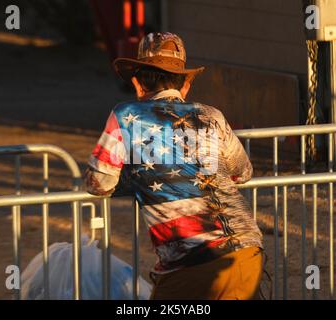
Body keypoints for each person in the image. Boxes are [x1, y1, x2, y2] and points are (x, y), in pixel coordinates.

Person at [85, 32, 263, 300]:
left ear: (137, 82)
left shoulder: (126, 117)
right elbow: (243, 172)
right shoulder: (211, 116)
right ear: (186, 85)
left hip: (191, 261)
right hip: (247, 251)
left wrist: (137, 175)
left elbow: (99, 183)